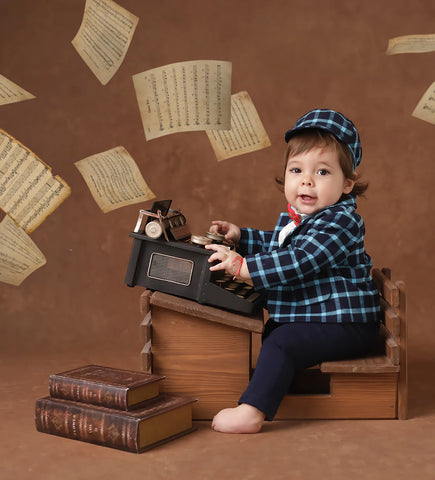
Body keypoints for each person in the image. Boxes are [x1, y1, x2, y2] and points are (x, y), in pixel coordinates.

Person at [205, 108, 381, 434]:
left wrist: (243, 267)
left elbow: (300, 260)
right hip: (324, 314)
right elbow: (278, 245)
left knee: (282, 342)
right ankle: (275, 386)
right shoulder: (297, 216)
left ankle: (252, 412)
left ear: (347, 184)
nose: (307, 181)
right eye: (297, 169)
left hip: (349, 322)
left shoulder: (340, 222)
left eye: (323, 172)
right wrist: (242, 238)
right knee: (274, 332)